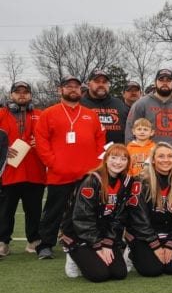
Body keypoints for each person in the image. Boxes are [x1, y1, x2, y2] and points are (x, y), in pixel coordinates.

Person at [34, 74, 107, 260]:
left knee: (87, 210)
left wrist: (97, 165)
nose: (73, 89)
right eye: (69, 86)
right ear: (60, 89)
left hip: (87, 174)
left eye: (76, 86)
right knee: (54, 210)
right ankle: (45, 244)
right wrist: (52, 162)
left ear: (81, 90)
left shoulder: (90, 114)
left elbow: (101, 139)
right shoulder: (49, 113)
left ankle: (83, 241)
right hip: (60, 172)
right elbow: (41, 140)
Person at [59, 144, 134, 282]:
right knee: (100, 275)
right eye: (114, 157)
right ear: (106, 159)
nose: (118, 162)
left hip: (103, 232)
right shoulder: (91, 180)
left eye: (123, 159)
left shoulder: (126, 182)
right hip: (80, 234)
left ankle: (90, 255)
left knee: (119, 273)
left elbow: (119, 216)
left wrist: (108, 242)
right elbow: (82, 218)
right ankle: (71, 252)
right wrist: (98, 246)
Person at [125, 142, 172, 275]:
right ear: (153, 160)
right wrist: (155, 245)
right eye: (161, 156)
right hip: (145, 235)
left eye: (170, 156)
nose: (166, 160)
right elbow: (139, 219)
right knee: (152, 270)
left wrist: (171, 243)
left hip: (168, 233)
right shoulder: (141, 181)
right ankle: (131, 250)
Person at [0, 81, 46, 257]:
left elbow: (53, 138)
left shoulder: (42, 115)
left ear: (30, 95)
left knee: (34, 210)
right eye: (17, 92)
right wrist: (3, 148)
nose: (21, 95)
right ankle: (3, 241)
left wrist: (41, 142)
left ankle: (34, 241)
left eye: (25, 92)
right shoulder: (1, 114)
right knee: (6, 210)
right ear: (11, 95)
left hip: (35, 171)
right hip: (8, 173)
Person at [125, 69, 172, 163]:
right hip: (146, 160)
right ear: (155, 82)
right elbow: (130, 133)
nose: (165, 83)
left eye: (168, 80)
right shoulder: (141, 104)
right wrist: (135, 157)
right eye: (161, 80)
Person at [80, 68, 130, 145]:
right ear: (89, 84)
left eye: (104, 82)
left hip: (117, 154)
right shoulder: (79, 104)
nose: (101, 85)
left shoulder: (119, 104)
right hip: (89, 153)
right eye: (97, 82)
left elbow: (131, 130)